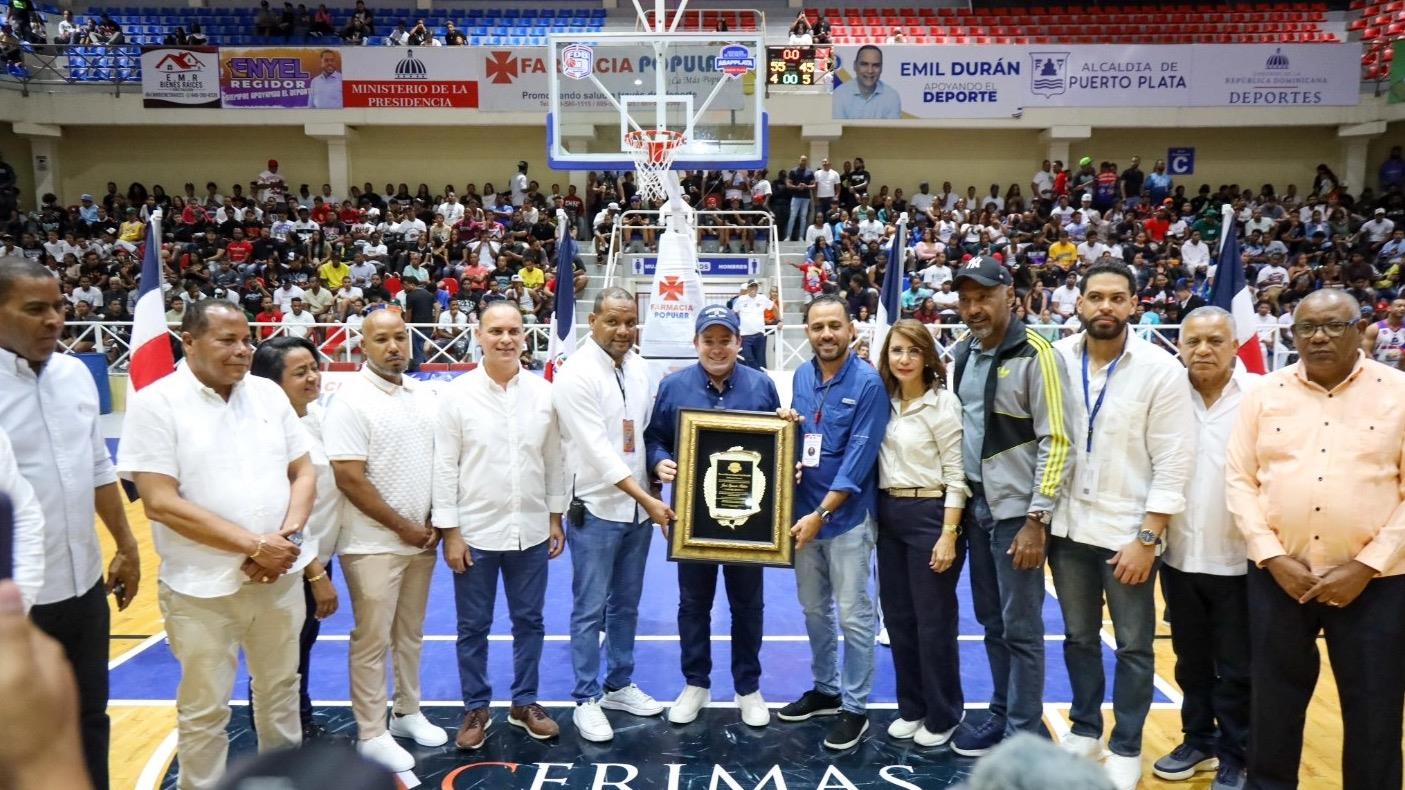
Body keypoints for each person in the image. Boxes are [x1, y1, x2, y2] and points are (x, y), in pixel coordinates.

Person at [117, 299, 316, 790]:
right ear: (188, 341)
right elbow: (159, 501)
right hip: (200, 589)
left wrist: (282, 542)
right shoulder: (155, 402)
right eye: (227, 340)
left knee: (280, 693)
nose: (242, 350)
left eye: (247, 339)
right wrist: (254, 545)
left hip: (279, 577)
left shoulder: (268, 396)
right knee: (205, 709)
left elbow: (304, 470)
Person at [1227, 289, 1405, 790]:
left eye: (1333, 326)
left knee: (1375, 708)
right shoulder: (1264, 393)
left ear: (1360, 329)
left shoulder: (1399, 392)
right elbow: (1240, 480)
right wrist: (1271, 556)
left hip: (1376, 584)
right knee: (1273, 705)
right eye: (1307, 328)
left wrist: (1367, 565)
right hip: (1278, 577)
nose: (1319, 336)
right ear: (1293, 333)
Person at [1050, 261, 1195, 790]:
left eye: (1116, 297)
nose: (1105, 306)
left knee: (1134, 645)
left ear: (1134, 304)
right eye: (1095, 297)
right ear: (1079, 303)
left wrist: (1148, 536)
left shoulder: (1161, 369)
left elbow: (1174, 461)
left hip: (1128, 535)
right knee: (1078, 636)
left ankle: (1127, 743)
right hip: (1067, 529)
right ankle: (1086, 727)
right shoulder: (1057, 358)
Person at [0, 258, 141, 790]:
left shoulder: (75, 374)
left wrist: (126, 545)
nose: (54, 319)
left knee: (89, 718)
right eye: (35, 309)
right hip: (14, 600)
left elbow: (97, 468)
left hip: (82, 587)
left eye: (59, 306)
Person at [948, 256, 1072, 756]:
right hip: (977, 509)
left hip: (1018, 515)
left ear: (1010, 297)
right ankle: (1002, 713)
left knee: (1021, 630)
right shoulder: (964, 353)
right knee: (992, 623)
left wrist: (1036, 519)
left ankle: (1023, 733)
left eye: (984, 297)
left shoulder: (1038, 354)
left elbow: (1057, 440)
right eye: (967, 298)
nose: (974, 307)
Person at [432, 302, 565, 749]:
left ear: (525, 336)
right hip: (474, 533)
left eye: (513, 330)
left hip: (530, 530)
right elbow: (444, 467)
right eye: (496, 331)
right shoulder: (454, 395)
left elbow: (554, 461)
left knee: (530, 621)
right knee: (473, 626)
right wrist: (450, 531)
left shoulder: (544, 394)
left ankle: (524, 701)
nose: (505, 339)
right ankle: (476, 706)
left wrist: (554, 517)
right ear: (479, 334)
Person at [644, 305, 781, 728]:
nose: (717, 348)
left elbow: (779, 446)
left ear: (740, 343)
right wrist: (660, 462)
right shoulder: (674, 387)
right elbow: (655, 438)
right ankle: (696, 683)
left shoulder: (762, 386)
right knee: (693, 604)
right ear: (696, 343)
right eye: (709, 340)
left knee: (748, 605)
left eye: (726, 339)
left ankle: (748, 688)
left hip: (751, 523)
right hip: (693, 519)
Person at [323, 309, 446, 772]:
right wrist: (404, 526)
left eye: (400, 337)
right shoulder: (351, 401)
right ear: (363, 345)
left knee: (410, 633)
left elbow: (440, 462)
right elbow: (350, 480)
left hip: (421, 538)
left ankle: (407, 711)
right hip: (372, 542)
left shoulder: (424, 394)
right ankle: (371, 732)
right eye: (382, 339)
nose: (393, 346)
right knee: (372, 639)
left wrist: (434, 518)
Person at [551, 287, 674, 743]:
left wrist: (657, 471)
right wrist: (649, 499)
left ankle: (618, 685)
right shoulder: (575, 375)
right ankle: (585, 697)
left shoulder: (640, 367)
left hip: (638, 512)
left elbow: (644, 434)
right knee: (589, 608)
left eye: (630, 322)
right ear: (592, 321)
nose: (623, 330)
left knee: (625, 605)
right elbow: (599, 454)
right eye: (613, 321)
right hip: (597, 510)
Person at [775, 294, 889, 751]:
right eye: (818, 326)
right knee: (813, 610)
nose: (826, 334)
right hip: (804, 518)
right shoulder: (802, 375)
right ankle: (826, 689)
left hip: (845, 522)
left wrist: (822, 514)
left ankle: (855, 708)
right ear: (807, 331)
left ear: (850, 329)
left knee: (856, 617)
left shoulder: (868, 384)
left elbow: (859, 461)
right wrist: (787, 428)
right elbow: (804, 440)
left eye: (834, 326)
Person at [1148, 307, 1253, 790]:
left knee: (1237, 667)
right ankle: (1198, 741)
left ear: (1234, 345)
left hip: (1242, 558)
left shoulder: (1259, 396)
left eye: (1215, 340)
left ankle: (1238, 754)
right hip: (1180, 554)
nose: (1203, 350)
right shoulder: (1169, 395)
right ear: (1181, 346)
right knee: (1190, 661)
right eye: (1193, 341)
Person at [873, 319, 968, 747]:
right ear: (886, 357)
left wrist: (949, 533)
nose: (904, 359)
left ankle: (943, 712)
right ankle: (912, 707)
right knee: (898, 620)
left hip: (932, 514)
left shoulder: (943, 403)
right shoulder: (882, 401)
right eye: (897, 351)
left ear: (927, 356)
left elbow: (956, 474)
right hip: (888, 514)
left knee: (934, 623)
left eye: (913, 350)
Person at [247, 336, 342, 742]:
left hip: (318, 553)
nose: (313, 377)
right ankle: (282, 736)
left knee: (300, 647)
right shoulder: (268, 432)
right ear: (271, 382)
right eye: (300, 372)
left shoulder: (314, 417)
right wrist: (315, 573)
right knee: (281, 654)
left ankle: (298, 724)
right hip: (294, 562)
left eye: (314, 367)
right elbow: (285, 512)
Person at [832, 45, 902, 119]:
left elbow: (891, 130)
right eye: (864, 64)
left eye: (875, 65)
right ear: (855, 66)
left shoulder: (892, 96)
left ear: (881, 68)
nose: (870, 71)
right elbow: (837, 129)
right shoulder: (839, 94)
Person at [732, 279, 773, 370]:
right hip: (745, 335)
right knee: (748, 357)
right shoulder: (741, 299)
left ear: (758, 287)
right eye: (751, 286)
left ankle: (759, 377)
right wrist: (733, 325)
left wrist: (780, 320)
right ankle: (758, 373)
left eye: (755, 286)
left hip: (759, 334)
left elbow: (773, 306)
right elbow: (734, 311)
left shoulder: (762, 298)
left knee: (760, 359)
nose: (753, 288)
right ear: (748, 288)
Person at [1360, 296, 1405, 370]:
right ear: (1389, 308)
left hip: (1401, 372)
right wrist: (1377, 369)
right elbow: (1366, 351)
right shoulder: (1374, 328)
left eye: (1404, 306)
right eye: (1399, 306)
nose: (1403, 308)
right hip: (1379, 370)